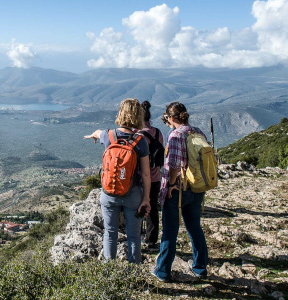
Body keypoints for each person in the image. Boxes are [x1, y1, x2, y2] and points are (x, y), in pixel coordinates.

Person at [84, 98, 151, 264]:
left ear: (120, 114)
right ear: (139, 116)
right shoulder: (140, 141)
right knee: (134, 236)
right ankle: (133, 275)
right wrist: (146, 199)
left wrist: (93, 135)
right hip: (132, 193)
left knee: (110, 232)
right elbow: (146, 174)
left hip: (109, 193)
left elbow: (98, 132)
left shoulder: (109, 135)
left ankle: (109, 274)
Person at [152, 102, 209, 282]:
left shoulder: (176, 135)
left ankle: (162, 271)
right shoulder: (197, 132)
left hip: (177, 190)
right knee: (195, 228)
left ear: (171, 118)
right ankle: (200, 268)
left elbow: (175, 166)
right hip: (196, 187)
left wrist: (169, 186)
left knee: (170, 230)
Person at [139, 101, 164, 249]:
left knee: (137, 206)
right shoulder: (158, 133)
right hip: (155, 177)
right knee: (152, 207)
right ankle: (151, 239)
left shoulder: (136, 134)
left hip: (140, 177)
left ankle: (137, 235)